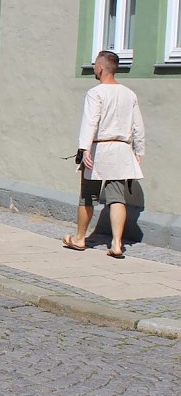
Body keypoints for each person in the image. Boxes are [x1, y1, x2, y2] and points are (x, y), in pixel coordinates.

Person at [62, 50, 145, 259]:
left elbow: (91, 121)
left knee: (88, 196)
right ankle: (117, 244)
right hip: (122, 149)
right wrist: (139, 150)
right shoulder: (129, 93)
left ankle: (80, 238)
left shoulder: (96, 93)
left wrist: (83, 148)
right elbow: (138, 126)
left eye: (95, 66)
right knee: (117, 198)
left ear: (100, 68)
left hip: (98, 149)